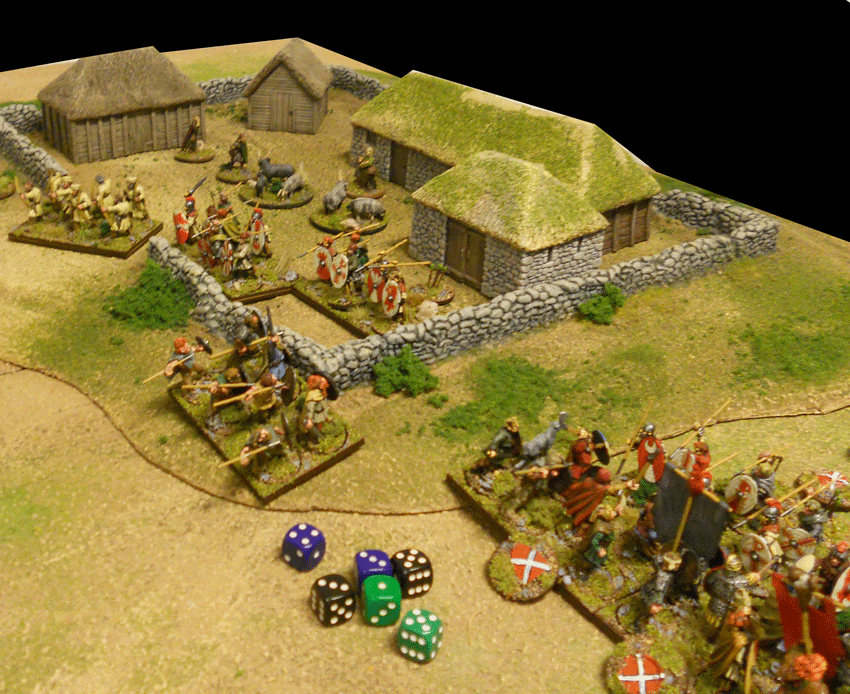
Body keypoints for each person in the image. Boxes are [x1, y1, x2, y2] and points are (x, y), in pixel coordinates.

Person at [299, 374, 331, 447]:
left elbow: (322, 399)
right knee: (316, 428)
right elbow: (310, 408)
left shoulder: (317, 393)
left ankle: (321, 437)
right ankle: (317, 440)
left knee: (319, 426)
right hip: (316, 415)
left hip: (320, 413)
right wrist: (309, 419)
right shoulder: (313, 395)